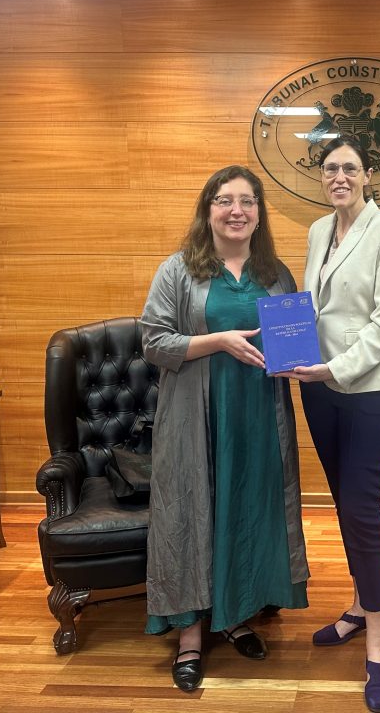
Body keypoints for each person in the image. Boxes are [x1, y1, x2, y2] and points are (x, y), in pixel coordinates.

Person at [141, 165, 309, 693]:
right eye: (224, 200)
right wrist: (219, 341)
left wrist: (302, 358)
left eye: (247, 201)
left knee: (247, 510)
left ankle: (235, 616)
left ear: (259, 213)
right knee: (192, 513)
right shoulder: (177, 270)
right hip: (195, 418)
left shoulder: (276, 273)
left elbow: (290, 344)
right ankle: (190, 636)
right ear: (207, 210)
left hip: (259, 416)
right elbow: (153, 342)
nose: (236, 210)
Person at [282, 135, 380, 713]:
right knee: (344, 501)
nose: (340, 176)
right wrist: (288, 348)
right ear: (322, 176)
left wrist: (333, 368)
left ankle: (378, 644)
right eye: (331, 168)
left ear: (368, 174)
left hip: (374, 386)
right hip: (319, 384)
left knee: (362, 505)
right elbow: (311, 308)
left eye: (350, 168)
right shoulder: (317, 231)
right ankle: (360, 605)